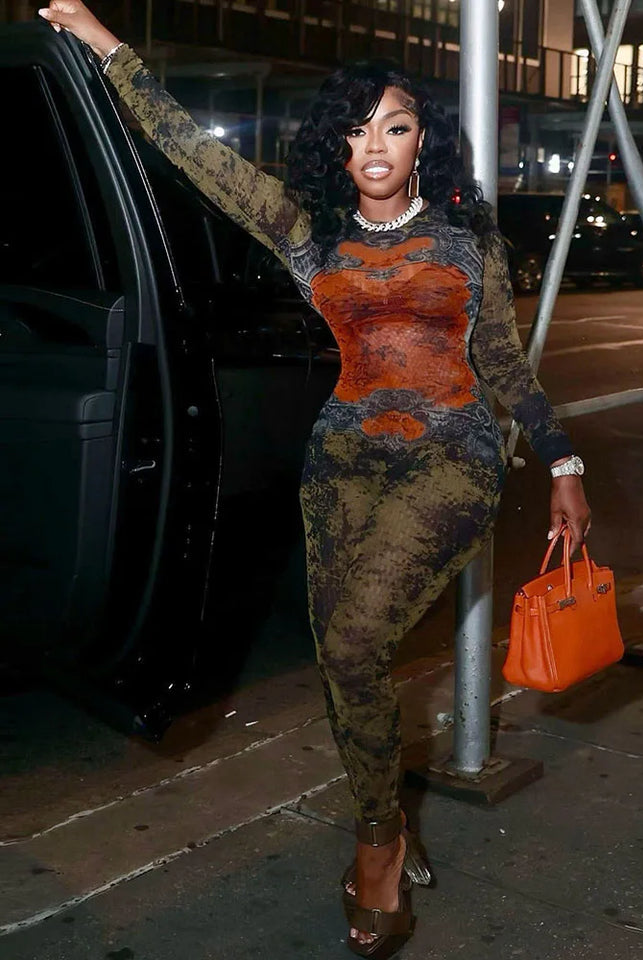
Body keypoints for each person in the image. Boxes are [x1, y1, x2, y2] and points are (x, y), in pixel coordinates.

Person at [37, 3, 591, 954]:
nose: (373, 145)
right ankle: (388, 821)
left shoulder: (470, 245)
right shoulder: (306, 233)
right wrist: (103, 41)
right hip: (340, 467)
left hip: (451, 460)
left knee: (350, 643)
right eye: (355, 127)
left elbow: (502, 364)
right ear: (334, 144)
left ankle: (377, 847)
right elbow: (188, 151)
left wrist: (564, 464)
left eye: (395, 126)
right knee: (348, 662)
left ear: (425, 143)